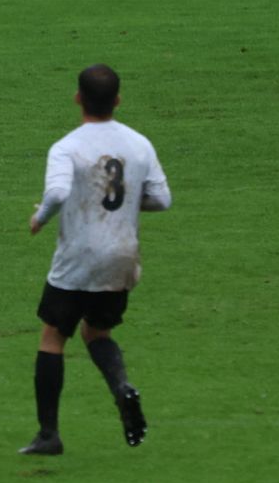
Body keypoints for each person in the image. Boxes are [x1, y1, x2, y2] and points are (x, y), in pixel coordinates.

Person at [21, 64, 171, 456]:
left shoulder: (67, 147)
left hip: (78, 257)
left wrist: (39, 218)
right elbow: (162, 199)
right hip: (122, 256)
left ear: (78, 98)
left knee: (54, 336)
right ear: (117, 100)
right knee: (96, 332)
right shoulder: (139, 144)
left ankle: (49, 434)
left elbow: (55, 194)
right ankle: (121, 386)